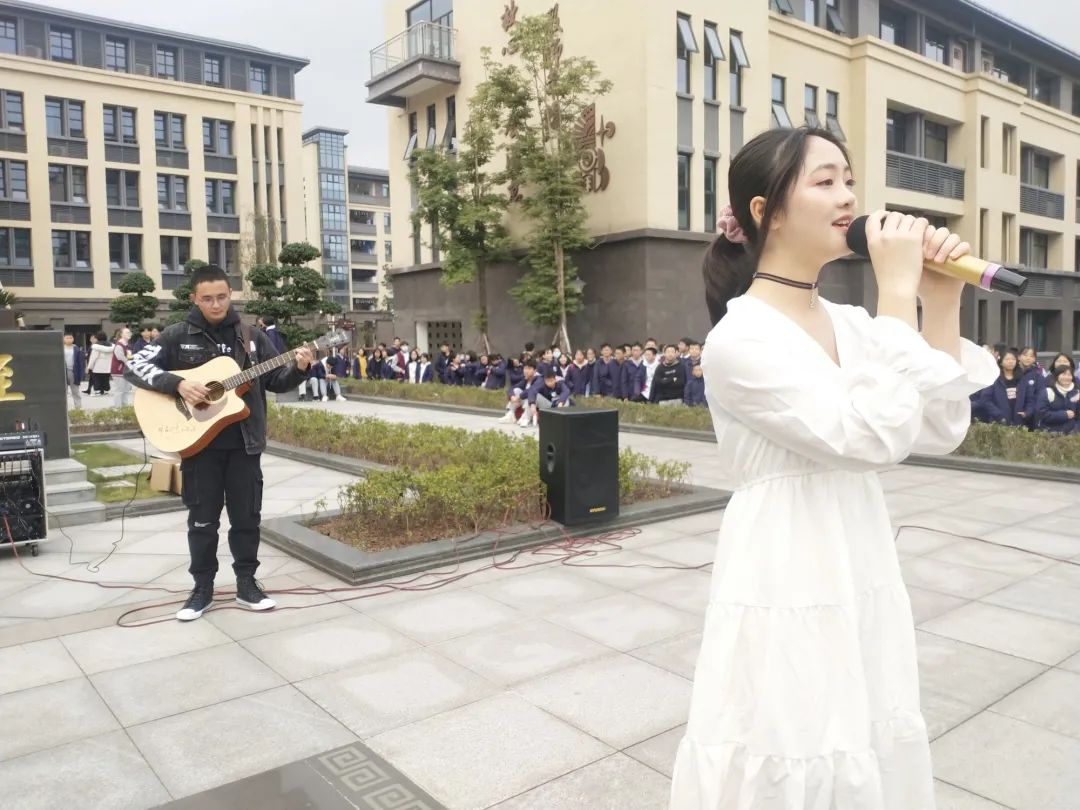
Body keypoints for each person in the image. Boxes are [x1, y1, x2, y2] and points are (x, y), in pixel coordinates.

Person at [669, 127, 997, 807]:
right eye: (825, 182)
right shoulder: (739, 339)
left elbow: (938, 427)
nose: (849, 197)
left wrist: (939, 298)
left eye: (849, 180)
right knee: (796, 727)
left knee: (864, 717)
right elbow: (869, 435)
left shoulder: (851, 324)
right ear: (766, 211)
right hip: (785, 558)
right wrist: (897, 291)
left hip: (858, 547)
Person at [125, 264, 313, 621]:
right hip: (199, 447)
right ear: (194, 298)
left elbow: (276, 379)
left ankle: (247, 583)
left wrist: (300, 368)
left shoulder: (252, 337)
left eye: (222, 297)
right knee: (202, 521)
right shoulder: (176, 336)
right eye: (208, 298)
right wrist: (178, 384)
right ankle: (202, 588)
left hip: (244, 444)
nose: (216, 304)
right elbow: (134, 366)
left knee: (247, 518)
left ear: (231, 295)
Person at [973, 349, 1023, 426]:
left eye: (1013, 359)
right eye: (1007, 359)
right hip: (999, 420)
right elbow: (985, 399)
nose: (1011, 362)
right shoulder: (994, 378)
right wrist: (998, 415)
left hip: (1018, 419)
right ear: (1001, 362)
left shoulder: (1021, 378)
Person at [1036, 365, 1079, 434]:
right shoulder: (1047, 392)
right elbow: (1041, 415)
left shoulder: (1076, 393)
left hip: (1072, 435)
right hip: (1050, 434)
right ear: (1057, 376)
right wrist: (1064, 415)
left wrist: (1076, 430)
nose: (1066, 377)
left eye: (1069, 375)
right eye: (1063, 374)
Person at [497, 359, 539, 425]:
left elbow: (531, 390)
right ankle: (511, 415)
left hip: (536, 403)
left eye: (529, 369)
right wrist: (512, 397)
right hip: (525, 402)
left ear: (535, 370)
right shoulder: (526, 379)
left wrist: (518, 397)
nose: (526, 371)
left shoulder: (539, 379)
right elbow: (512, 388)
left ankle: (526, 417)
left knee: (531, 395)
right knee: (516, 390)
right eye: (525, 368)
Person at [111, 327, 134, 408]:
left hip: (126, 371)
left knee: (126, 391)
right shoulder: (119, 345)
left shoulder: (127, 345)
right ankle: (118, 408)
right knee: (119, 391)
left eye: (130, 332)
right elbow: (120, 357)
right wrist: (129, 363)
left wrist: (132, 362)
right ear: (121, 334)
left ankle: (124, 408)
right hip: (118, 371)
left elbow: (130, 357)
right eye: (127, 332)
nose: (129, 334)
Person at [62, 333, 85, 409]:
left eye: (70, 338)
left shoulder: (77, 349)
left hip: (73, 371)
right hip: (63, 371)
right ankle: (63, 408)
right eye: (67, 338)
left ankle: (78, 407)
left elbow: (81, 363)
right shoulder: (61, 348)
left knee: (75, 391)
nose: (69, 339)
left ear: (73, 339)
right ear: (63, 339)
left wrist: (81, 374)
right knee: (63, 392)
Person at [88, 331, 113, 395]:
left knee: (97, 378)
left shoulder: (96, 346)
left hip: (97, 366)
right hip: (107, 365)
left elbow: (93, 358)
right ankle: (106, 390)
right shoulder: (111, 346)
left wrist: (90, 367)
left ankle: (98, 390)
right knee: (106, 378)